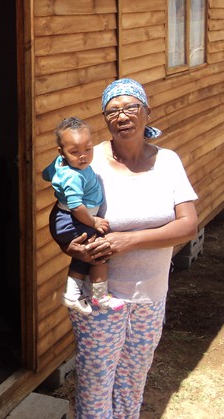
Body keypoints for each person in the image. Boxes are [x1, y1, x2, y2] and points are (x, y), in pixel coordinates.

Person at [62, 78, 198, 418]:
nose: (122, 117)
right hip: (101, 299)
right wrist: (74, 248)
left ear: (147, 112)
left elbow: (187, 224)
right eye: (112, 112)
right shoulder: (88, 166)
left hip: (151, 296)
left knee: (132, 383)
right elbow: (63, 222)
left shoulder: (168, 161)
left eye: (130, 108)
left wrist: (130, 240)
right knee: (95, 387)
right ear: (105, 120)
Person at [43, 117, 125, 315]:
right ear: (61, 152)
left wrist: (57, 167)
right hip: (73, 219)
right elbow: (77, 207)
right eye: (74, 152)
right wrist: (93, 221)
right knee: (99, 252)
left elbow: (46, 175)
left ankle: (71, 295)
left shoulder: (63, 165)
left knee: (82, 257)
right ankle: (100, 295)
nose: (83, 156)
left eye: (88, 149)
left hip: (66, 218)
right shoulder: (73, 176)